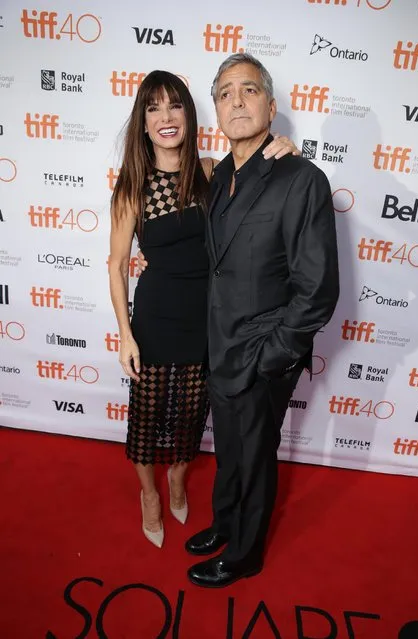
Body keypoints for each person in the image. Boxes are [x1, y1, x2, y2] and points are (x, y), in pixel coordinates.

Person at [108, 69, 299, 549]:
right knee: (146, 419)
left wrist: (289, 151)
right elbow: (116, 266)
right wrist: (126, 334)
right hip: (153, 318)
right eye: (153, 108)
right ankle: (150, 496)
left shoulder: (212, 170)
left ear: (189, 116)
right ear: (144, 122)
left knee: (191, 417)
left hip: (207, 321)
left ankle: (177, 480)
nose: (166, 117)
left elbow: (261, 179)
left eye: (175, 105)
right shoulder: (133, 185)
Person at [183, 53, 340, 587]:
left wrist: (270, 357)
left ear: (271, 107)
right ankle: (225, 522)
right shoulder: (217, 174)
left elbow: (317, 290)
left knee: (254, 458)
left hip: (261, 355)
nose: (236, 101)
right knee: (228, 449)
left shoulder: (301, 178)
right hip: (219, 345)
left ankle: (245, 553)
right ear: (217, 111)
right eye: (225, 94)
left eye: (248, 90)